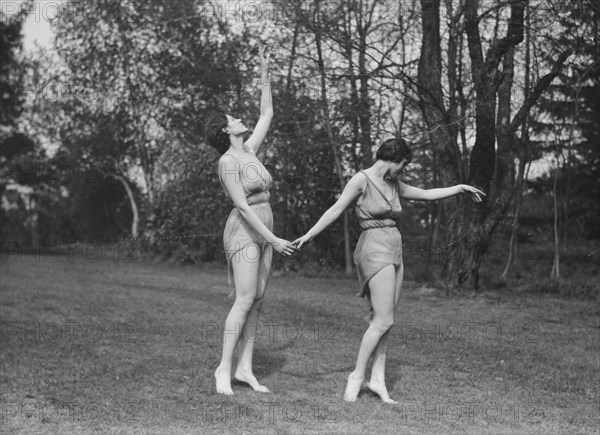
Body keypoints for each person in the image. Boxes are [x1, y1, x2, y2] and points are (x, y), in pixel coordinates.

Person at [292, 138, 484, 404]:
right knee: (383, 320)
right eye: (403, 164)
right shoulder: (361, 180)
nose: (402, 170)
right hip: (373, 247)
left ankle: (378, 379)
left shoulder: (394, 184)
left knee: (387, 319)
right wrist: (309, 235)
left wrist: (460, 188)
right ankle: (357, 376)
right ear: (394, 158)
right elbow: (336, 209)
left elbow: (427, 193)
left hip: (394, 246)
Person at [205, 46, 298, 396]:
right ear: (227, 130)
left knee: (258, 298)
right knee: (244, 298)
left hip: (265, 220)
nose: (239, 118)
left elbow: (268, 112)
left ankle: (245, 368)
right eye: (233, 118)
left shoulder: (249, 151)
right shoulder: (228, 162)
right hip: (245, 229)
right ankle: (223, 370)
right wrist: (273, 240)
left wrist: (265, 73)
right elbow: (242, 207)